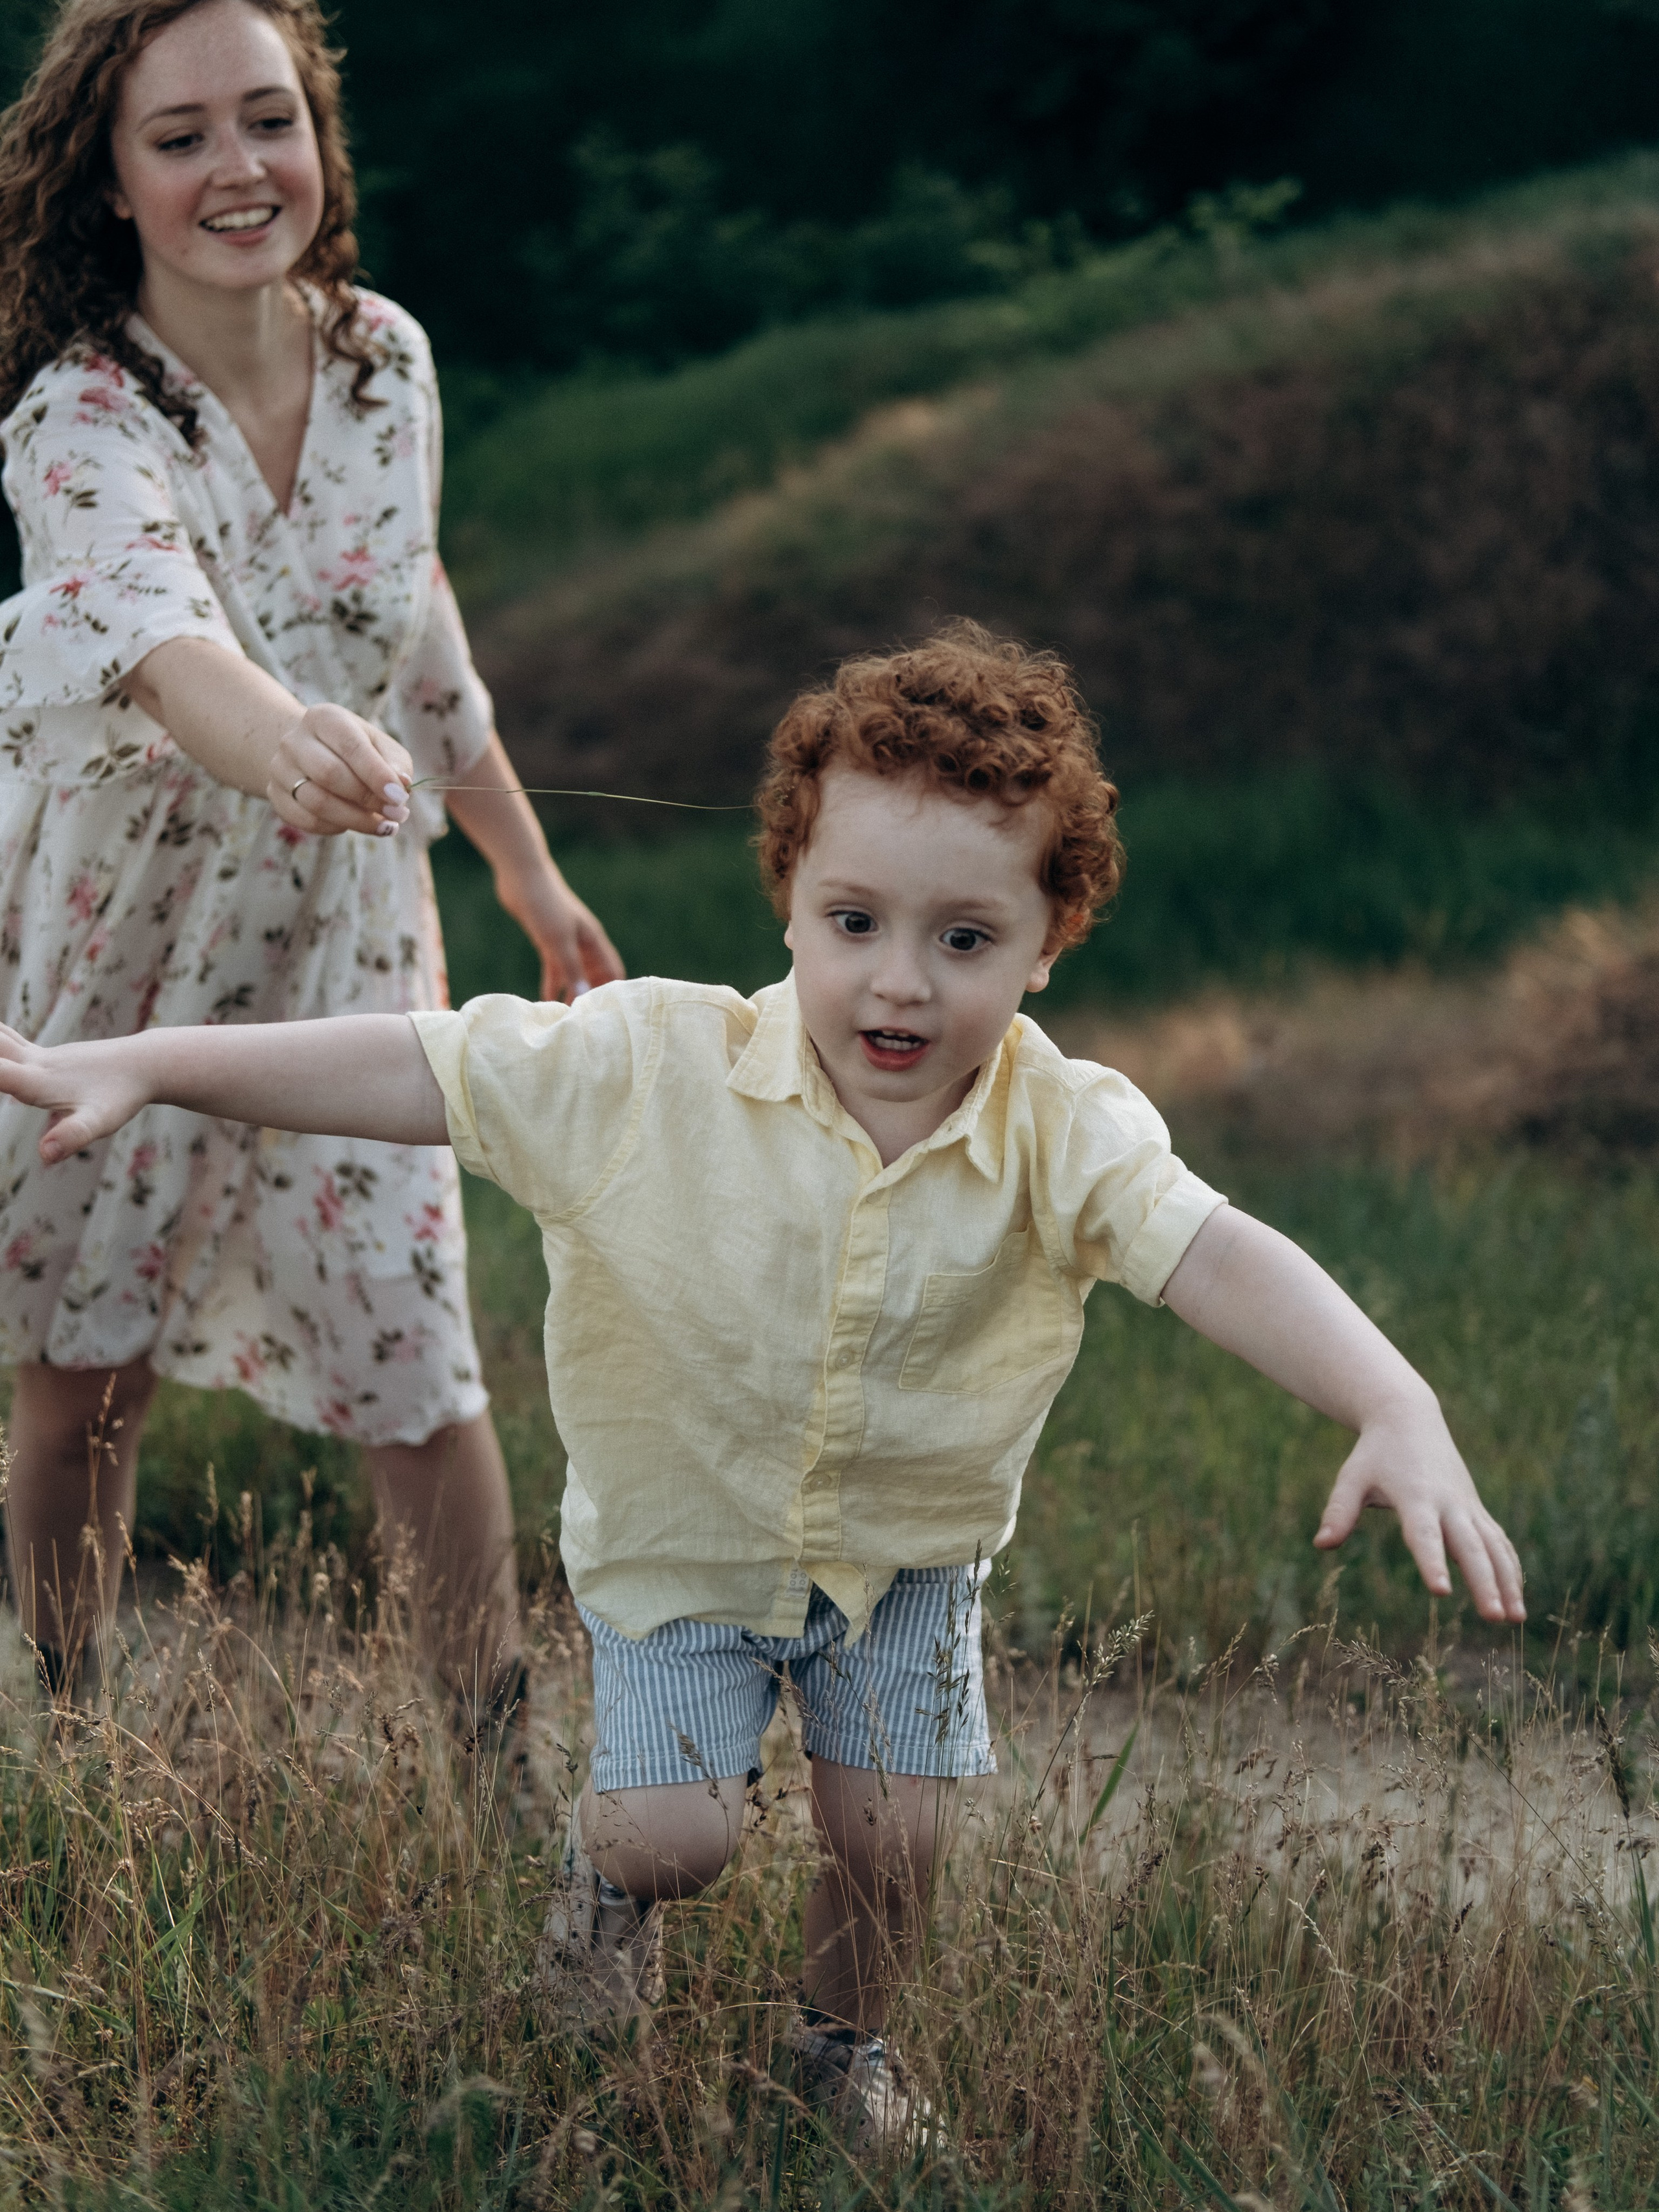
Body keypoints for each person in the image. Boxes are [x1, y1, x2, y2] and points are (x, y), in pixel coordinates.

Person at [0, 623, 1526, 2148]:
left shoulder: (1068, 1131)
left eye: (964, 940)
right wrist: (149, 1061)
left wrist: (1392, 1402)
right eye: (853, 919)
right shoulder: (648, 1068)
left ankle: (837, 2052)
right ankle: (604, 1893)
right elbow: (413, 1064)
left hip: (909, 1557)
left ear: (1049, 940)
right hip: (685, 1548)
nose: (899, 984)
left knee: (895, 1839)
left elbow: (1220, 1255)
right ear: (788, 893)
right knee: (674, 1835)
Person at [0, 0, 622, 1698]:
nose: (236, 168)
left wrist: (523, 863)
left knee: (414, 1357)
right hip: (119, 942)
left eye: (267, 119)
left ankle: (496, 1779)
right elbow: (150, 633)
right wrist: (280, 739)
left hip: (350, 944)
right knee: (80, 1360)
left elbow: (410, 621)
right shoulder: (80, 414)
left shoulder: (386, 360)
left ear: (319, 134)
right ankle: (72, 1736)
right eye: (180, 135)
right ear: (111, 179)